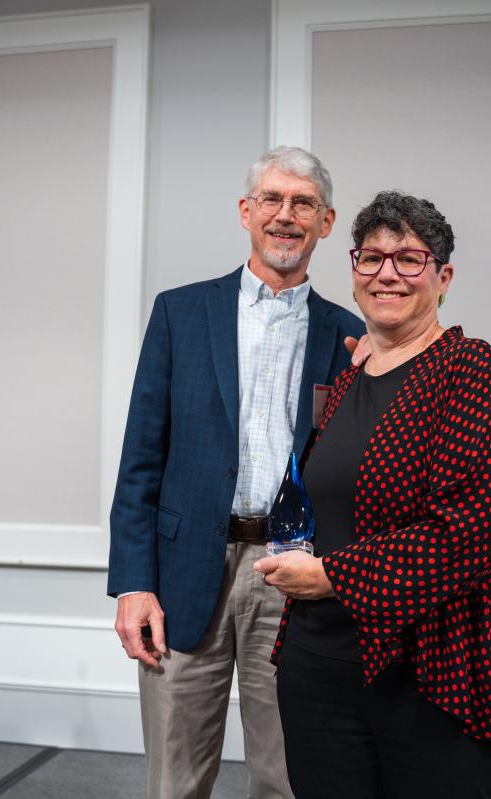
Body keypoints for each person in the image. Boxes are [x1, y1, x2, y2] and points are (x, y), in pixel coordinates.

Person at [254, 191, 491, 799]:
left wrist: (333, 575)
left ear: (443, 276)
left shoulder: (469, 369)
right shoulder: (350, 377)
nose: (387, 273)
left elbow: (467, 535)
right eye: (370, 258)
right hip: (319, 668)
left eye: (409, 259)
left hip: (432, 675)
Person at [108, 146, 365, 799]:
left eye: (303, 202)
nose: (286, 215)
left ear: (327, 221)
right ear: (247, 213)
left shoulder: (349, 336)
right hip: (184, 568)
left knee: (288, 775)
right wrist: (134, 582)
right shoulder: (180, 313)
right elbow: (141, 457)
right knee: (176, 777)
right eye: (272, 200)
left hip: (294, 574)